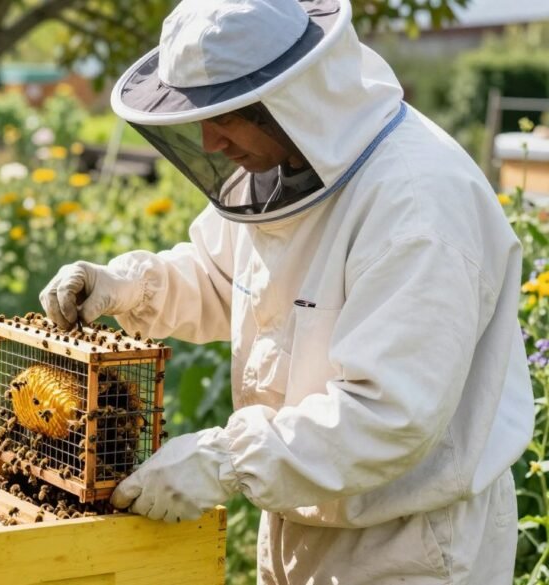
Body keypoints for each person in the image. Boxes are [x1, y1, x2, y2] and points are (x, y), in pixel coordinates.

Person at [38, 0, 534, 582]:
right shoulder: (285, 165)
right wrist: (128, 286)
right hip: (302, 519)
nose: (211, 142)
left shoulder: (418, 206)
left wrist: (224, 461)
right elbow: (229, 281)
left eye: (224, 118)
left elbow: (388, 415)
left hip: (407, 545)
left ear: (286, 102)